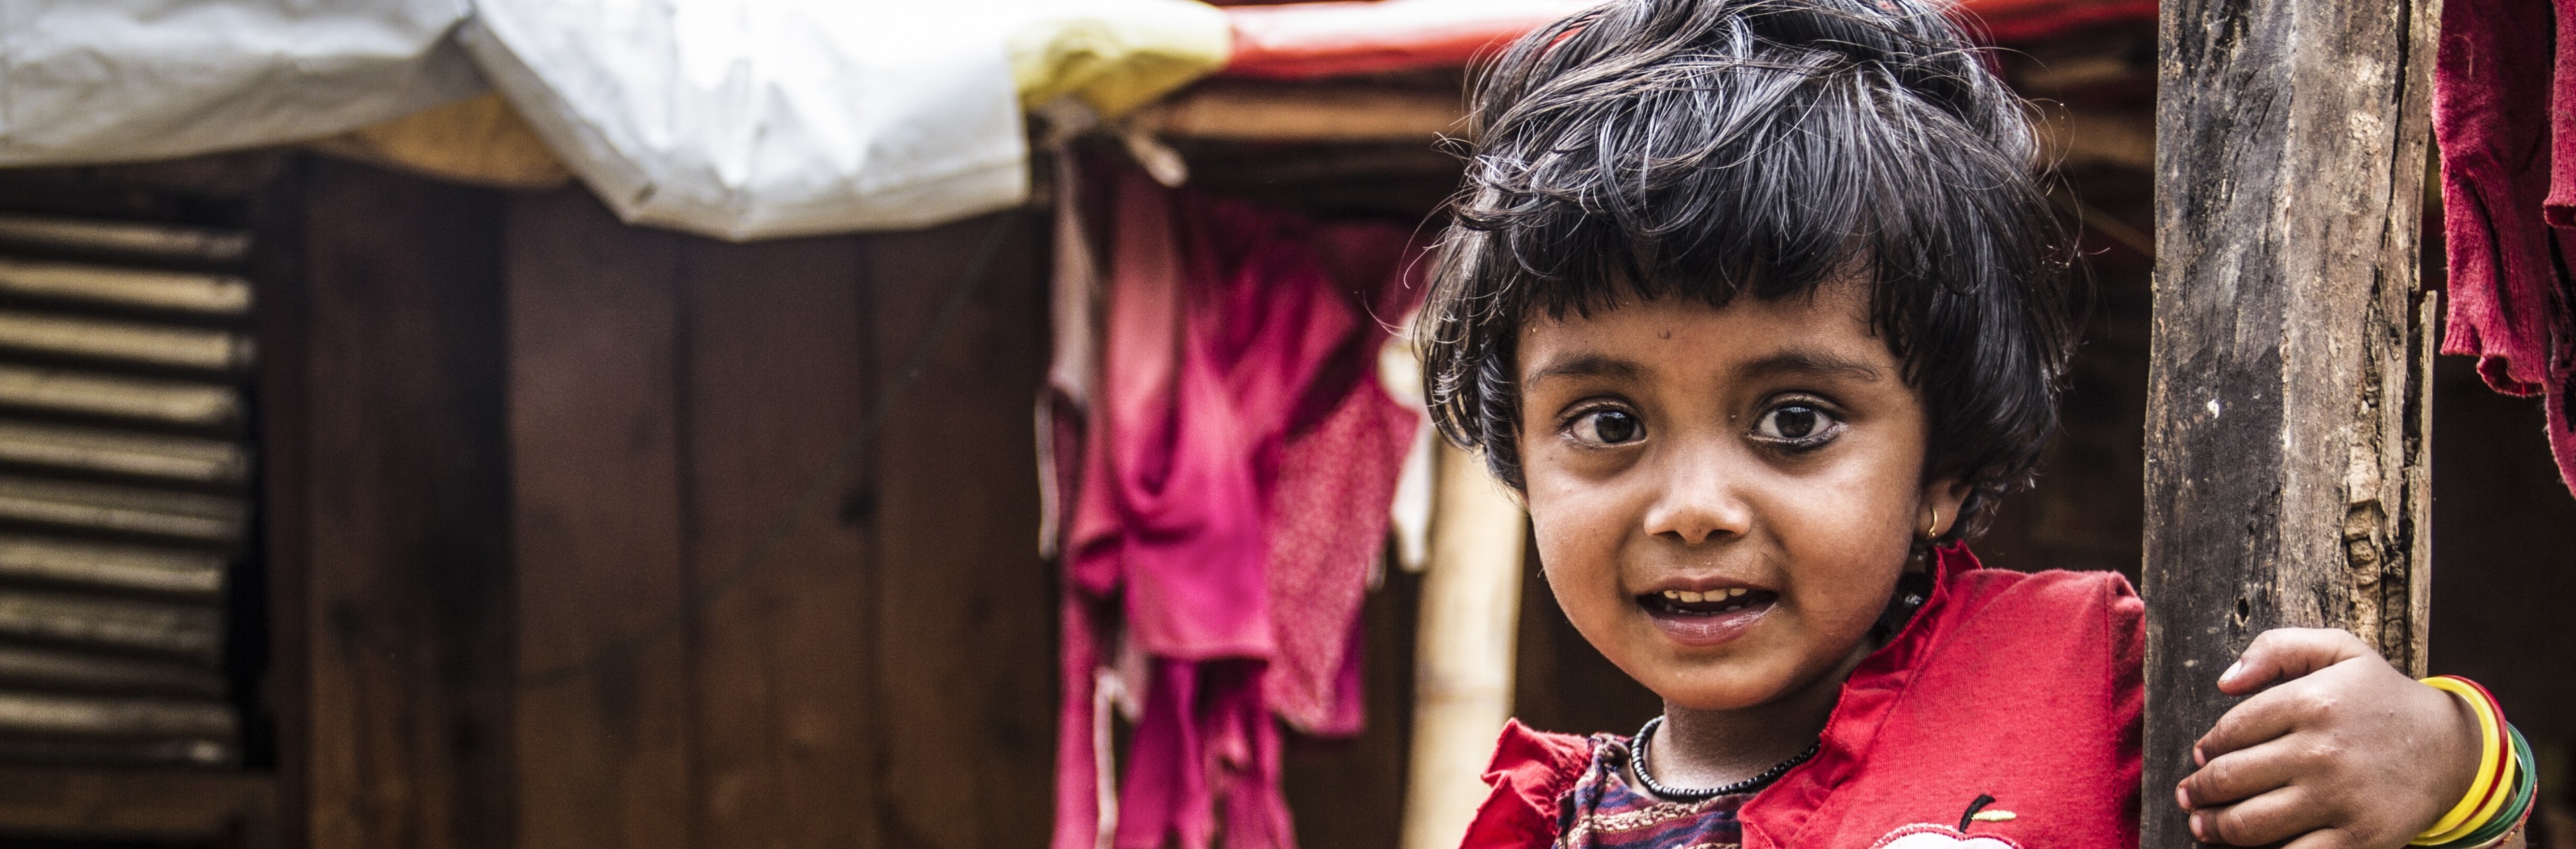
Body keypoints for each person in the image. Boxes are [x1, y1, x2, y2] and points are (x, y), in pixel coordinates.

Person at [1415, 1, 2536, 847]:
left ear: (1944, 463)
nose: (1694, 507)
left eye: (1795, 419)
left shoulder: (2103, 679)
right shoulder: (1542, 819)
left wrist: (2445, 760)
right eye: (1608, 422)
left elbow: (2435, 789)